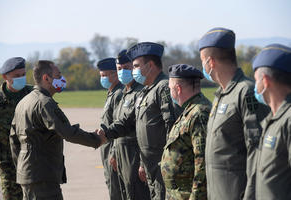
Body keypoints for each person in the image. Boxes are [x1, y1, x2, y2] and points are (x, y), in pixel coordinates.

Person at [9, 60, 104, 200]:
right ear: (46, 78)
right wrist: (96, 140)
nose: (62, 79)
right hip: (42, 176)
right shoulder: (44, 103)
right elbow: (67, 132)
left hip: (28, 174)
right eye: (58, 75)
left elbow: (14, 140)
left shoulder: (24, 102)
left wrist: (23, 167)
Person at [99, 42, 181, 200]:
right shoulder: (146, 90)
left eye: (135, 66)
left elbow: (172, 128)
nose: (133, 70)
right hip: (150, 165)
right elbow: (127, 121)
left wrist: (168, 166)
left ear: (150, 65)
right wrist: (104, 134)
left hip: (162, 165)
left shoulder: (163, 88)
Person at [198, 27, 269, 200]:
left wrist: (251, 195)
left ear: (211, 62)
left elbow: (257, 150)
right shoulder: (222, 94)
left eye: (202, 61)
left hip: (237, 192)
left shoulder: (246, 92)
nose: (203, 67)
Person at [160, 64, 211, 200]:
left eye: (170, 89)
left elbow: (202, 162)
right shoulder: (190, 110)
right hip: (178, 194)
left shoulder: (199, 113)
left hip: (188, 194)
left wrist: (197, 197)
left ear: (178, 88)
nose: (170, 93)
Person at [252, 44, 291, 200]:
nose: (255, 87)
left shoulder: (288, 120)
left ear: (265, 81)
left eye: (256, 81)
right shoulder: (273, 119)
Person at [110, 50, 150, 200]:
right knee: (125, 193)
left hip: (133, 154)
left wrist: (142, 162)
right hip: (121, 154)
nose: (122, 72)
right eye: (119, 69)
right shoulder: (124, 93)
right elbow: (117, 124)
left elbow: (143, 131)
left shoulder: (140, 92)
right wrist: (114, 152)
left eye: (126, 68)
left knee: (137, 193)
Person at [0, 57, 33, 200]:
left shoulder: (33, 95)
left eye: (23, 74)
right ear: (5, 77)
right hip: (9, 167)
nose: (21, 78)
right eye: (16, 76)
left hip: (33, 163)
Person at [97, 58, 124, 200]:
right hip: (107, 150)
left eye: (104, 75)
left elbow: (120, 125)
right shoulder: (112, 92)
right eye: (101, 75)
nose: (102, 79)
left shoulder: (119, 94)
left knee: (116, 191)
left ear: (114, 74)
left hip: (113, 151)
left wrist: (114, 153)